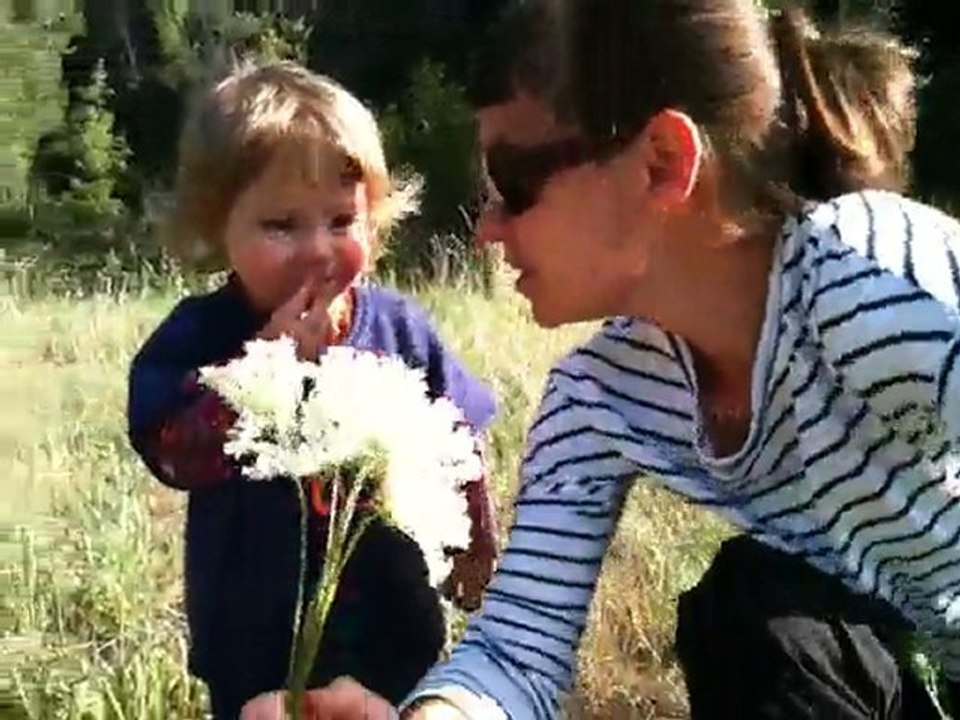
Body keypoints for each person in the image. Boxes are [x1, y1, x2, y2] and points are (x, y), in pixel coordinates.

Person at [307, 2, 960, 719]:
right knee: (753, 617)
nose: (488, 230)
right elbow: (517, 651)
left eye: (515, 184)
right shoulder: (599, 397)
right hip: (898, 670)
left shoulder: (875, 276)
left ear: (663, 163)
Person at [125, 61, 499, 720]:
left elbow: (457, 437)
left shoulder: (399, 329)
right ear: (218, 229)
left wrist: (476, 539)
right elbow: (171, 452)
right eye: (281, 225)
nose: (317, 249)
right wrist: (264, 363)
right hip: (254, 646)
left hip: (394, 631)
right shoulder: (201, 337)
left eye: (339, 220)